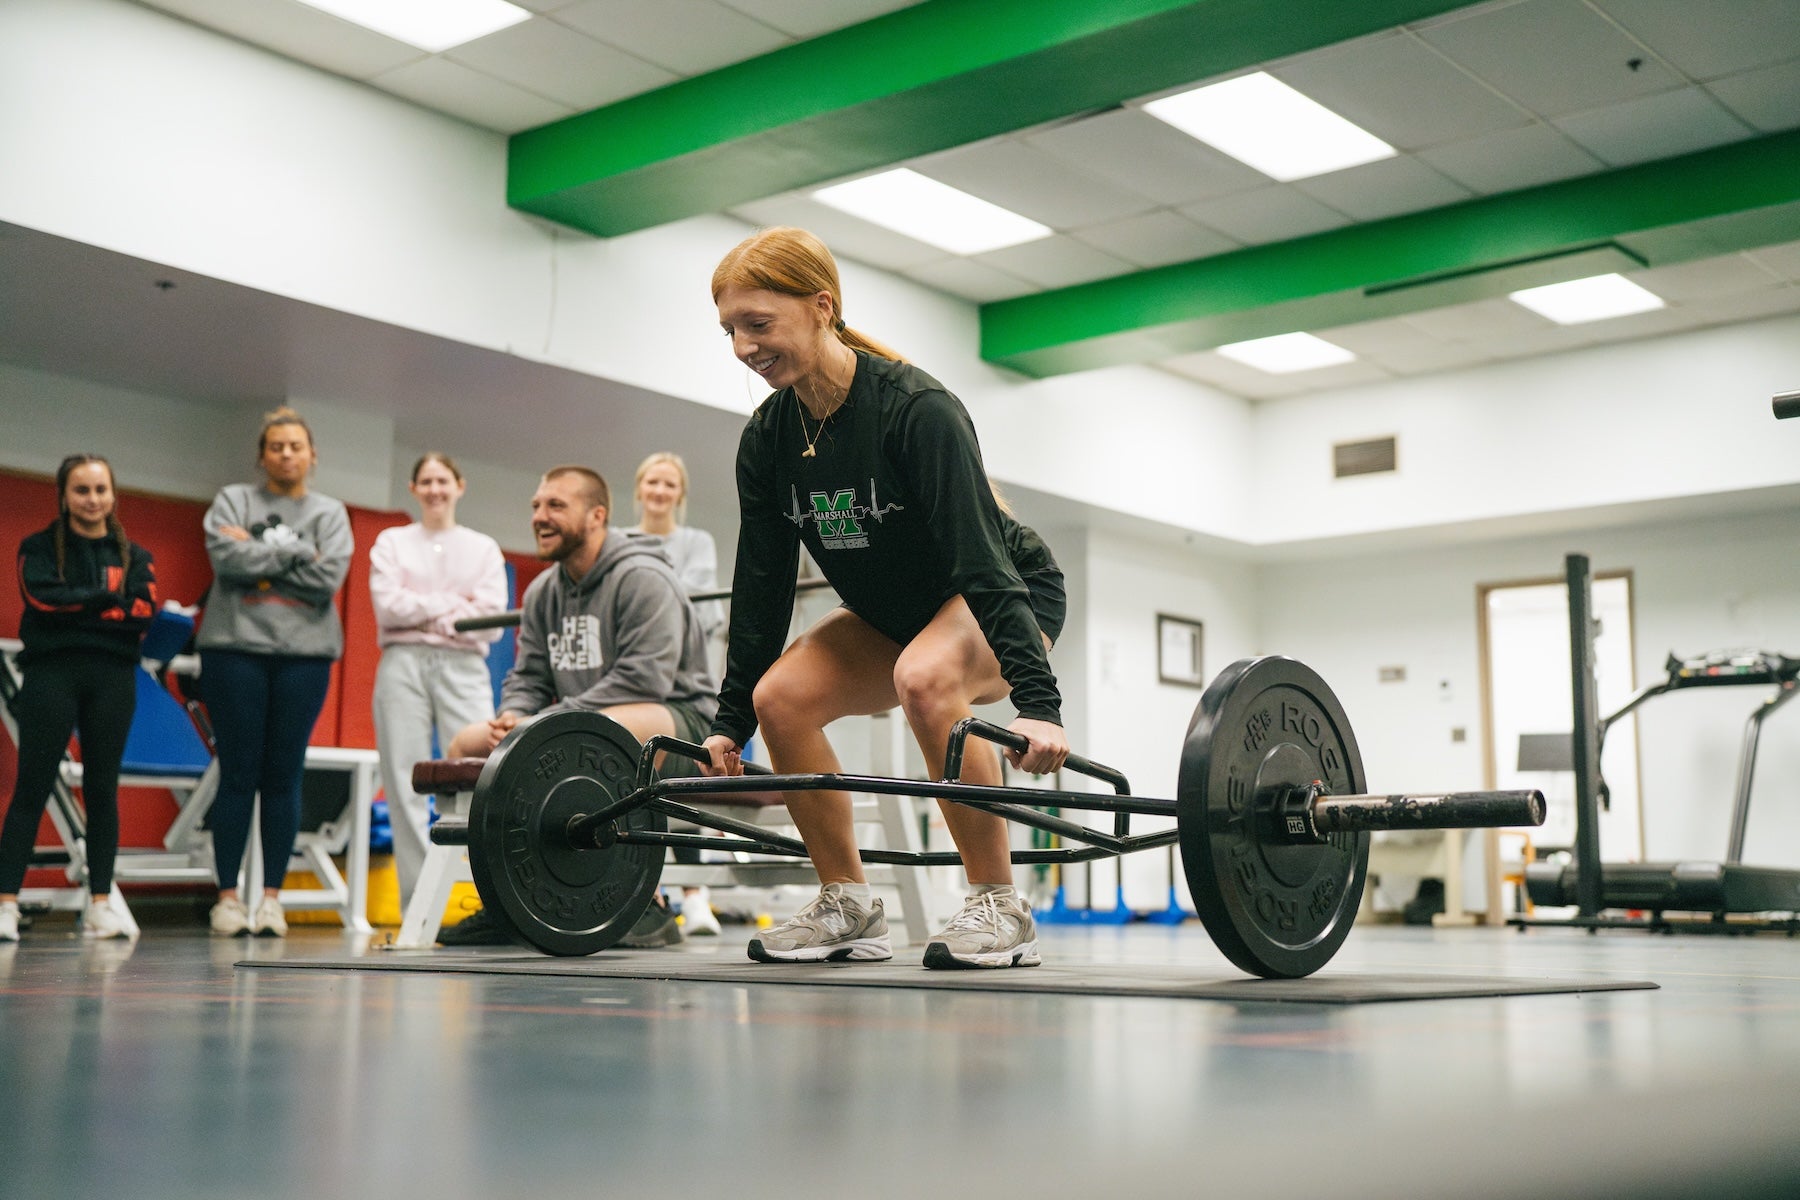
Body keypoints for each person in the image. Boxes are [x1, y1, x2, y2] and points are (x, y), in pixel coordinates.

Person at [702, 226, 1070, 970]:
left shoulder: (916, 410)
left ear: (821, 307)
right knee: (783, 699)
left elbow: (980, 560)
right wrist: (731, 721)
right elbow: (763, 583)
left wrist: (1040, 702)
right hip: (896, 617)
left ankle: (1000, 904)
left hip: (1007, 592)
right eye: (731, 329)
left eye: (759, 324)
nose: (743, 346)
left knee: (926, 679)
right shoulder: (769, 437)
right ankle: (848, 904)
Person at [440, 465, 718, 947]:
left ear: (596, 516)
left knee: (609, 732)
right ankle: (506, 900)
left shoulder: (643, 579)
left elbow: (643, 679)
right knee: (465, 742)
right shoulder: (545, 591)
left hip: (678, 721)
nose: (540, 517)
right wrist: (512, 716)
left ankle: (644, 904)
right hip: (586, 723)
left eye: (555, 506)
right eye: (535, 506)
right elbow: (528, 677)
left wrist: (541, 721)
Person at [196, 407, 353, 938]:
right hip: (233, 650)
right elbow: (227, 562)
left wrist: (257, 553)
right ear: (262, 455)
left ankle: (271, 901)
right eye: (276, 446)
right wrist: (295, 555)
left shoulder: (330, 512)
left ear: (312, 455)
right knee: (238, 773)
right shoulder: (232, 500)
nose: (287, 454)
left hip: (304, 657)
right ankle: (227, 899)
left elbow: (328, 577)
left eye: (296, 446)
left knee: (284, 774)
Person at [0, 455, 157, 943]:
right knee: (33, 786)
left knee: (103, 790)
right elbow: (42, 598)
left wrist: (82, 604)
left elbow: (143, 611)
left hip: (113, 679)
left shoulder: (137, 556)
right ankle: (5, 903)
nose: (93, 500)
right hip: (52, 674)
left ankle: (101, 904)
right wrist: (105, 602)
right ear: (64, 496)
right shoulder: (39, 547)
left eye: (100, 490)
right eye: (82, 490)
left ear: (113, 494)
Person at [369, 452, 509, 910]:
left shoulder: (483, 547)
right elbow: (388, 607)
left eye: (442, 480)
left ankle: (482, 901)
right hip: (402, 663)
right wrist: (454, 607)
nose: (434, 489)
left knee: (478, 775)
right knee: (405, 777)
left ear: (459, 485)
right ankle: (416, 904)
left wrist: (422, 608)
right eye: (425, 481)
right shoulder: (391, 541)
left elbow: (489, 620)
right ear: (413, 489)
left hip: (463, 666)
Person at [621, 450, 725, 936]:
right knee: (636, 772)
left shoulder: (696, 542)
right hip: (639, 677)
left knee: (682, 779)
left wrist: (651, 602)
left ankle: (695, 894)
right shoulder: (619, 543)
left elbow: (700, 614)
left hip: (684, 680)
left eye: (669, 485)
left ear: (679, 495)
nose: (660, 492)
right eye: (653, 483)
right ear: (639, 488)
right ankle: (650, 888)